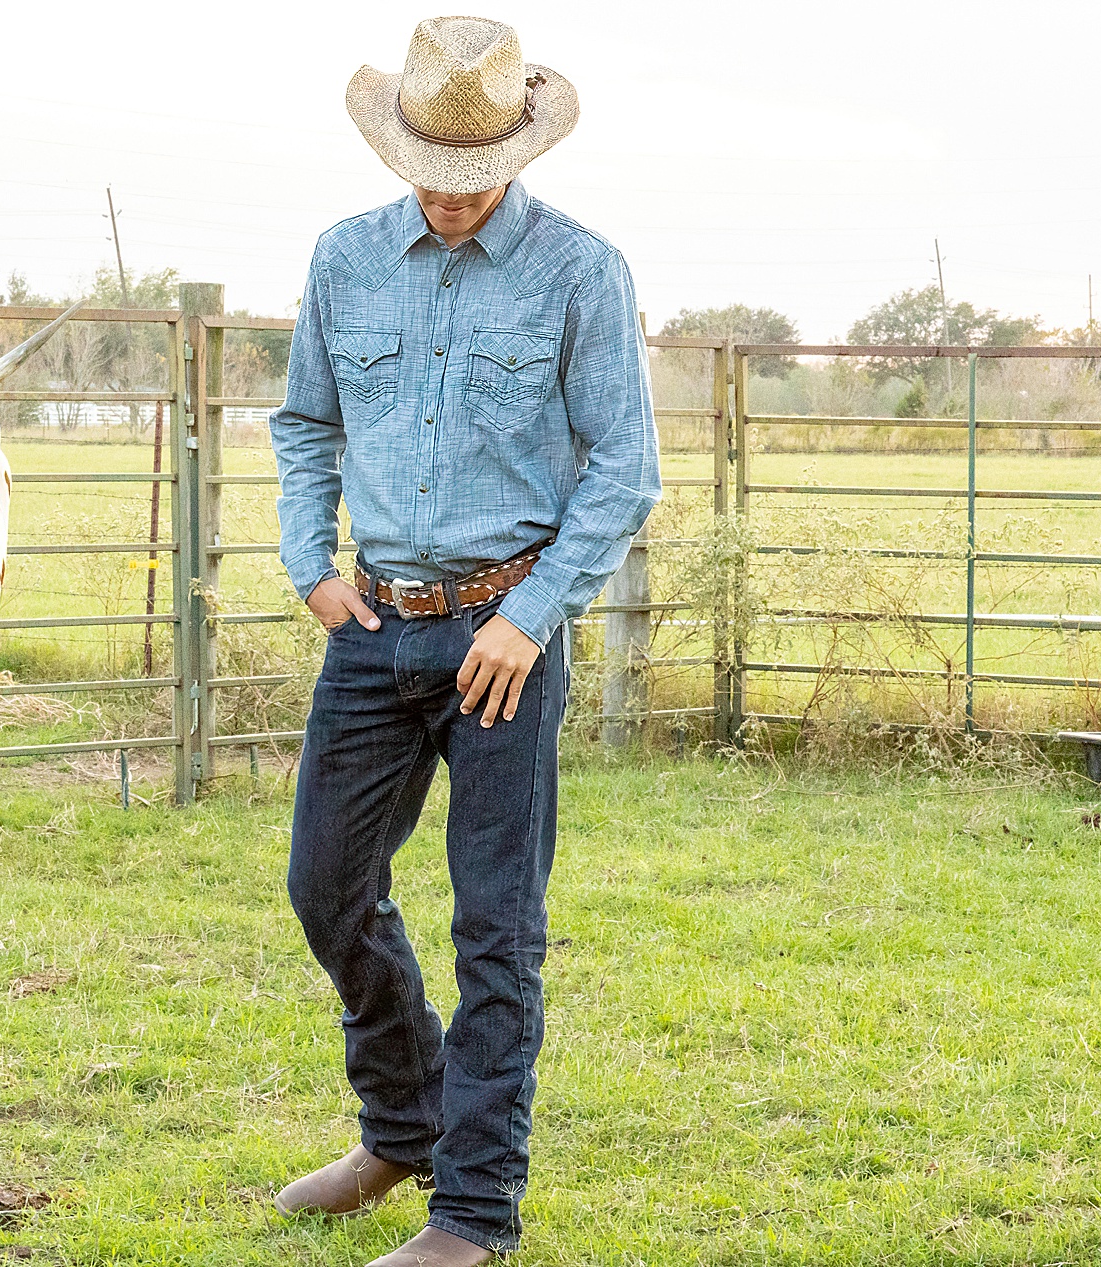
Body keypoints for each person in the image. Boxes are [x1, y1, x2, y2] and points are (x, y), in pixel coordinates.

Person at [266, 16, 661, 1266]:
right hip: (374, 628)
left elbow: (624, 471)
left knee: (497, 927)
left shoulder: (580, 273)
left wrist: (528, 619)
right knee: (325, 885)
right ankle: (403, 1121)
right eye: (424, 177)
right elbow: (301, 425)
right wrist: (310, 569)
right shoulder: (342, 262)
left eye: (468, 179)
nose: (444, 200)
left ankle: (472, 1213)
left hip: (507, 635)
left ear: (517, 151)